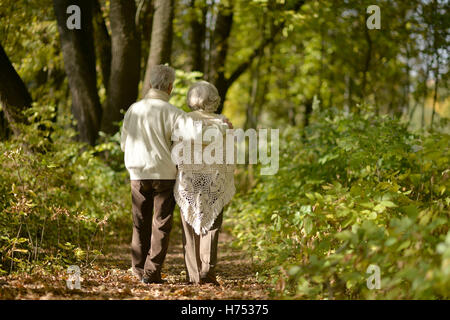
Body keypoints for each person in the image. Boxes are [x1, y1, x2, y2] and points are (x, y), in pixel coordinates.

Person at [121, 66, 231, 284]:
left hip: (137, 172)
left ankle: (138, 268)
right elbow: (198, 136)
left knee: (139, 221)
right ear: (170, 87)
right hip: (164, 174)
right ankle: (152, 273)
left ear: (151, 84)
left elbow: (124, 143)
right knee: (161, 223)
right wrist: (222, 127)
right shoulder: (174, 113)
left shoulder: (133, 109)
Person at [172, 81, 236, 285]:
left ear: (192, 99)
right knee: (213, 224)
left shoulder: (183, 122)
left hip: (189, 180)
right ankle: (207, 270)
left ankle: (193, 275)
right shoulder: (223, 123)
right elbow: (230, 154)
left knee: (190, 225)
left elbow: (175, 151)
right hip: (214, 179)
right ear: (214, 100)